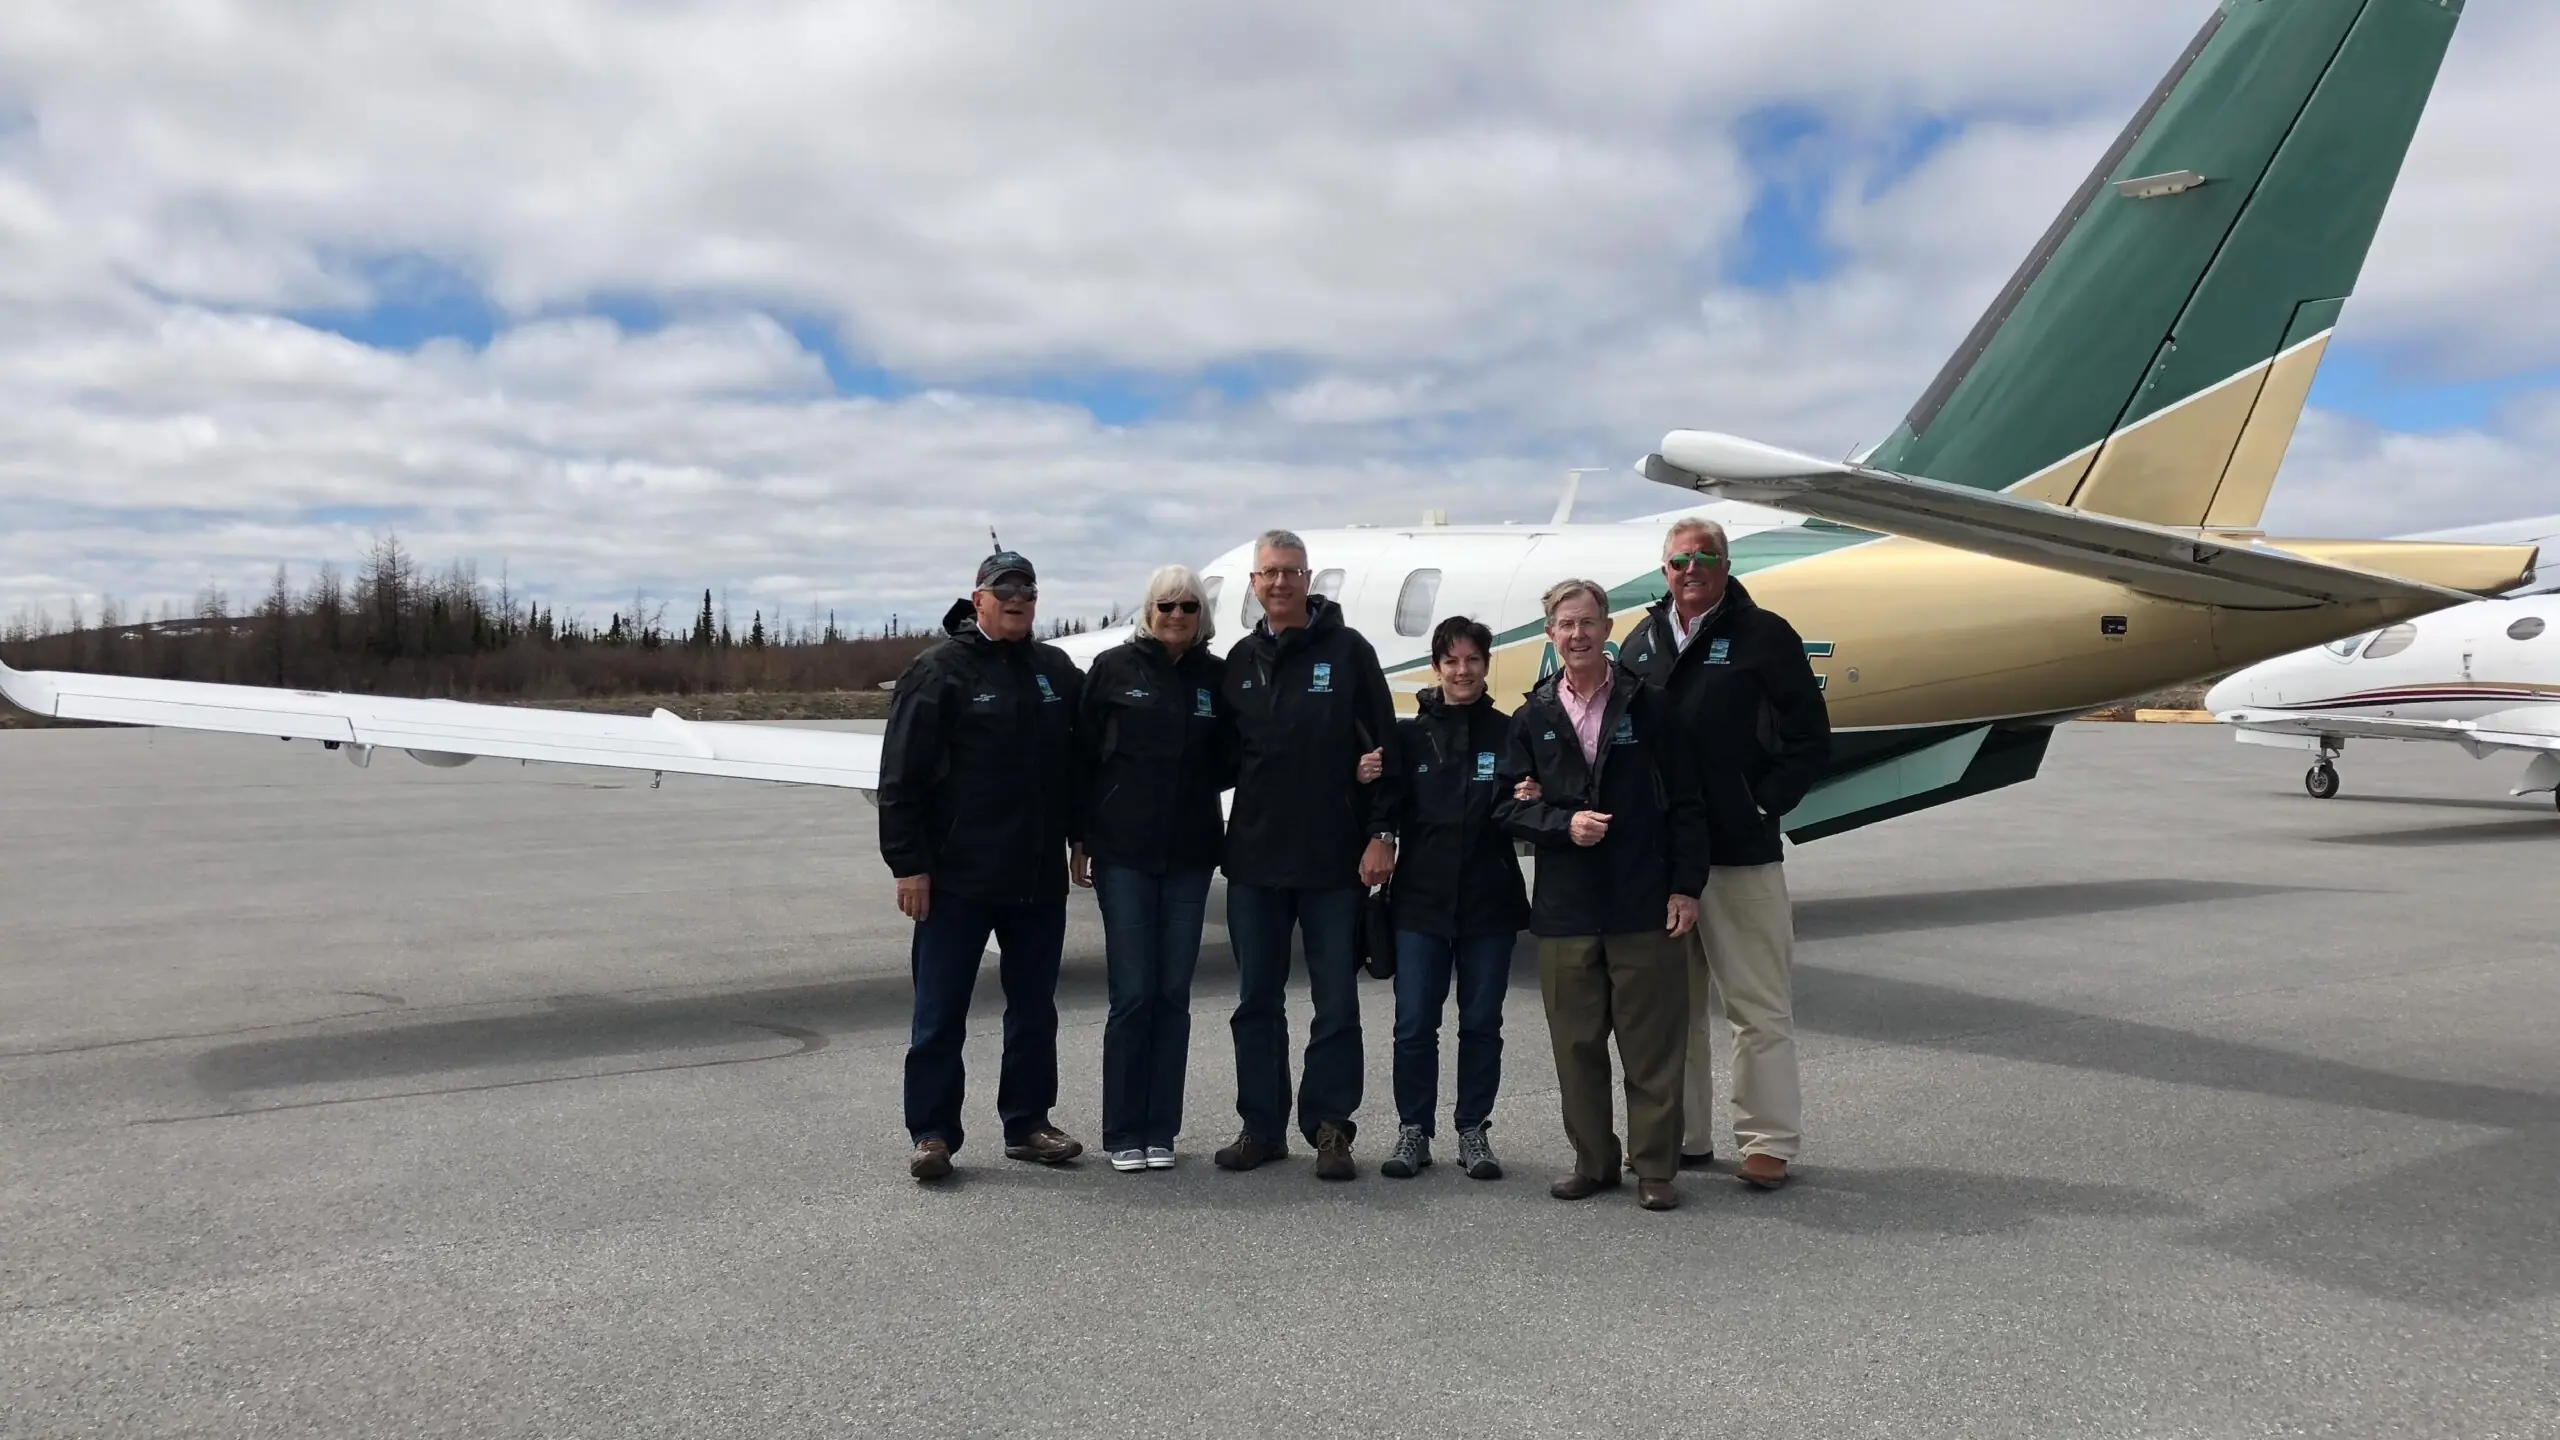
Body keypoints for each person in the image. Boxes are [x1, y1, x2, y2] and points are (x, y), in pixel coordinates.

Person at [1615, 516, 1830, 1191]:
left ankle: (1767, 1141)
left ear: (1726, 564)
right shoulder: (1640, 643)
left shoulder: (1764, 636)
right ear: (1665, 570)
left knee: (1757, 1006)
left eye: (1705, 558)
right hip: (1665, 857)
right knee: (1671, 1009)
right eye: (1680, 561)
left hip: (1739, 850)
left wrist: (1764, 802)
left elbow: (1809, 734)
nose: (1692, 570)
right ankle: (1682, 1135)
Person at [1496, 579, 1707, 1211]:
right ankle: (1594, 1162)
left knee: (1652, 1047)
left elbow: (1688, 805)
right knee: (1577, 1046)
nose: (1578, 635)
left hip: (1642, 901)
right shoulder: (1532, 716)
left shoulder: (1651, 707)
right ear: (1550, 635)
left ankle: (1655, 1170)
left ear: (1608, 630)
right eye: (1566, 624)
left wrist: (1685, 888)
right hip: (1566, 911)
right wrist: (1562, 824)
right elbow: (1504, 805)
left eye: (1589, 623)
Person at [876, 549, 1087, 1182]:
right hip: (955, 880)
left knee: (1034, 1009)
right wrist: (908, 865)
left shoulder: (1055, 671)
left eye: (1026, 588)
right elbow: (900, 777)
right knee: (940, 1012)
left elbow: (1078, 767)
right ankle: (933, 1133)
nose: (1017, 598)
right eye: (1004, 589)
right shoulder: (938, 671)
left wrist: (1083, 836)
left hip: (1036, 877)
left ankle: (1027, 1123)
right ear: (979, 600)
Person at [1215, 529, 1400, 1181]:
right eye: (1269, 573)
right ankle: (1260, 1128)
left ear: (1308, 578)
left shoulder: (1349, 654)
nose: (1281, 583)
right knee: (1255, 1002)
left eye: (1292, 572)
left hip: (1334, 861)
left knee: (1336, 1004)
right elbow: (1210, 759)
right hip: (1256, 863)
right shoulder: (1238, 661)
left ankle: (1330, 1127)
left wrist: (1383, 833)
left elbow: (1387, 748)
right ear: (1254, 583)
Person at [1071, 565, 1231, 1174]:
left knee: (1173, 994)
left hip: (1189, 854)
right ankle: (1122, 1131)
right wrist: (1080, 836)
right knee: (1133, 994)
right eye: (1165, 606)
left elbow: (1237, 757)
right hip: (1124, 855)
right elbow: (1082, 759)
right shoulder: (1113, 670)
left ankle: (1161, 1128)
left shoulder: (1216, 679)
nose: (1176, 616)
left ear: (1200, 616)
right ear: (1148, 610)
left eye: (1188, 607)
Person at [1377, 615, 1530, 1181]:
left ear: (1487, 666)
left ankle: (1473, 1130)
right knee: (1415, 1024)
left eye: (1472, 660)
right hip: (1420, 901)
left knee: (1481, 1023)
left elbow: (1532, 800)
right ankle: (1413, 1129)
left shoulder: (1511, 731)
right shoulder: (1409, 736)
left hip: (1490, 899)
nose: (1462, 671)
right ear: (1436, 667)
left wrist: (1533, 792)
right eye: (1451, 661)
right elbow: (1384, 805)